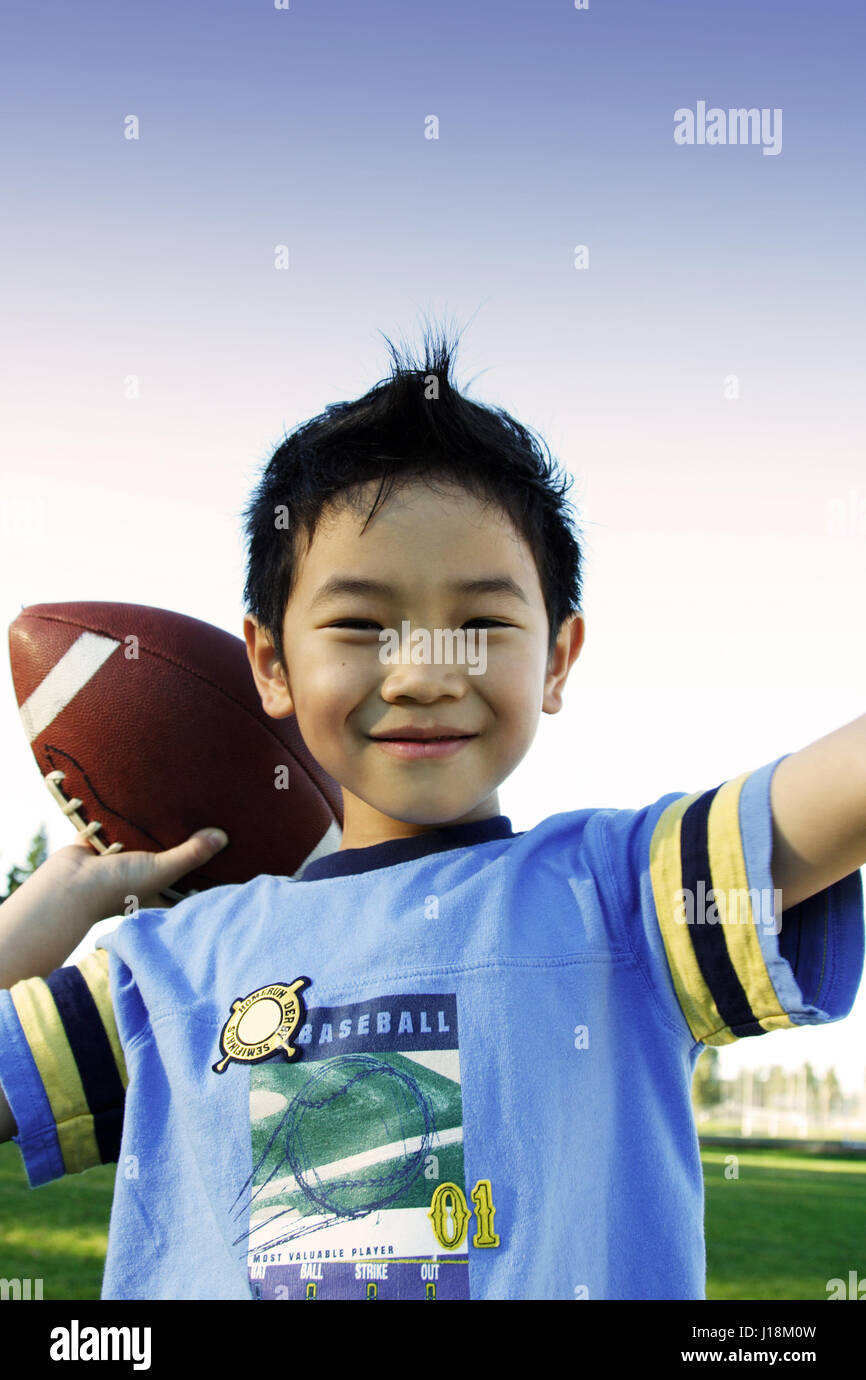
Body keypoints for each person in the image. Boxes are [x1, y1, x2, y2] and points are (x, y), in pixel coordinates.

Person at [0, 324, 863, 1301]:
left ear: (556, 659)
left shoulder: (625, 898)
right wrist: (36, 920)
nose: (420, 672)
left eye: (481, 624)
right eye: (362, 624)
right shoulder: (172, 968)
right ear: (272, 662)